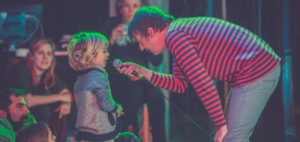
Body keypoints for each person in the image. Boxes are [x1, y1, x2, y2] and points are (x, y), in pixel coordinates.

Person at [116, 6, 281, 142]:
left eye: (141, 42)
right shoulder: (177, 32)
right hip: (250, 72)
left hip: (256, 69)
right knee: (228, 137)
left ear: (150, 32)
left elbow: (203, 84)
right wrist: (144, 72)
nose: (142, 48)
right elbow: (179, 84)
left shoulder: (176, 37)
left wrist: (221, 125)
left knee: (233, 138)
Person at [101, 0, 166, 141]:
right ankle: (117, 136)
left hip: (140, 75)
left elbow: (157, 61)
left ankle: (160, 139)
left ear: (141, 9)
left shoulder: (144, 27)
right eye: (127, 5)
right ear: (120, 8)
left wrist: (151, 41)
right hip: (117, 76)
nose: (131, 10)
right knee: (135, 94)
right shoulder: (111, 24)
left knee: (157, 96)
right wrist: (111, 39)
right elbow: (100, 59)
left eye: (135, 6)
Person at [3, 38, 72, 142]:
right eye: (41, 53)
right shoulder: (21, 69)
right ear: (32, 56)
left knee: (59, 112)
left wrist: (66, 104)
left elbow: (66, 93)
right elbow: (28, 101)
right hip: (9, 113)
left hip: (27, 114)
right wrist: (62, 97)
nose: (45, 58)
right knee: (44, 110)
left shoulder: (47, 74)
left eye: (49, 54)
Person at [68, 32, 124, 142]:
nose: (107, 54)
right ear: (91, 54)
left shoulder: (80, 78)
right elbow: (105, 103)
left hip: (84, 132)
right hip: (100, 132)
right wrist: (116, 108)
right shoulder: (98, 76)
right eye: (104, 51)